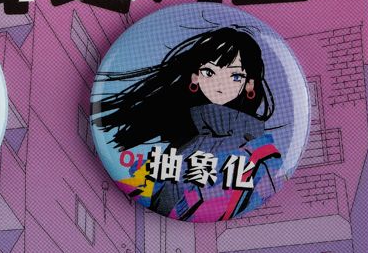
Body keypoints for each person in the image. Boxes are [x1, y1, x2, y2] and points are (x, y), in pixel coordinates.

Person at [93, 25, 281, 221]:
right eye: (209, 72)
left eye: (234, 76)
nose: (220, 84)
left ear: (249, 84)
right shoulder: (197, 131)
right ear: (195, 77)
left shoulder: (245, 142)